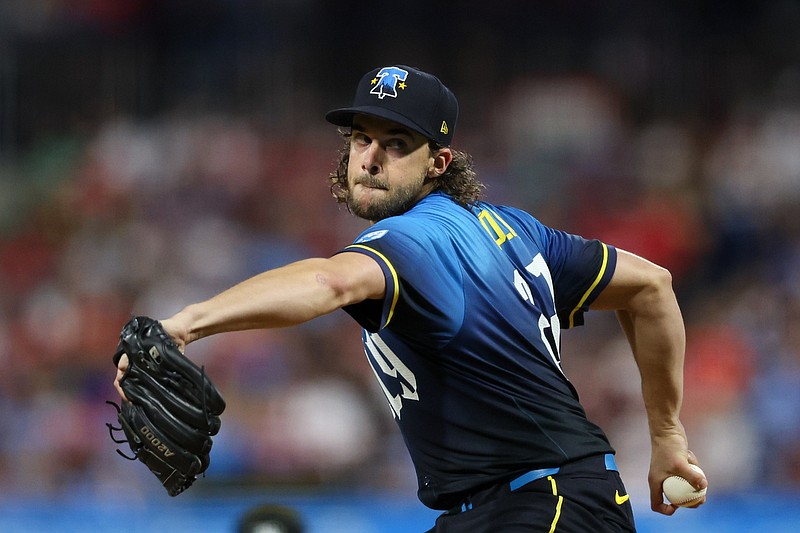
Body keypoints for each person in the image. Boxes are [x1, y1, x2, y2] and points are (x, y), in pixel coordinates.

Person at [114, 64, 707, 531]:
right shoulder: (512, 228)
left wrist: (187, 323)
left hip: (546, 503)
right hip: (514, 507)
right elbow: (650, 287)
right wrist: (667, 439)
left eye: (397, 143)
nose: (370, 158)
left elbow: (331, 282)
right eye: (360, 138)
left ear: (438, 163)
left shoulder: (415, 237)